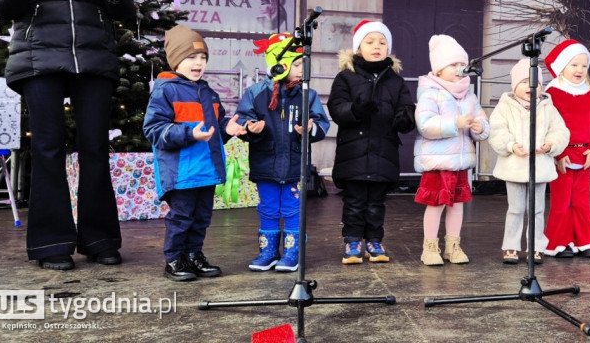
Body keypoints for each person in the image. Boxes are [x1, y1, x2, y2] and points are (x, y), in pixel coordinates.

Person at [0, 0, 143, 270]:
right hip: (40, 57)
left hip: (93, 56)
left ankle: (101, 239)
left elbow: (122, 8)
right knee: (48, 148)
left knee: (94, 148)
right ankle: (50, 245)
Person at [143, 25, 247, 281]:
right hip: (182, 172)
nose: (198, 63)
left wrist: (229, 127)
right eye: (191, 57)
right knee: (181, 217)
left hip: (207, 169)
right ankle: (174, 259)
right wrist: (190, 134)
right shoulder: (166, 90)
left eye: (203, 58)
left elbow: (216, 127)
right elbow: (154, 130)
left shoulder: (208, 91)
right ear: (176, 60)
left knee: (201, 218)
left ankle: (193, 255)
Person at [236, 33, 330, 272]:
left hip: (294, 166)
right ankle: (267, 252)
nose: (301, 70)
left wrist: (310, 129)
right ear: (280, 64)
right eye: (296, 64)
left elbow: (322, 123)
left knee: (292, 208)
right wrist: (250, 129)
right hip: (265, 164)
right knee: (267, 208)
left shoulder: (308, 94)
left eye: (303, 64)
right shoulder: (255, 93)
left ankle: (292, 252)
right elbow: (243, 119)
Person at [328, 20, 416, 264]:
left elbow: (407, 108)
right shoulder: (346, 77)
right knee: (354, 201)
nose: (376, 46)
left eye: (382, 42)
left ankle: (375, 241)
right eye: (370, 42)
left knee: (377, 202)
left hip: (383, 151)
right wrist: (356, 109)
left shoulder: (396, 81)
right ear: (358, 48)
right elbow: (336, 107)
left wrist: (404, 118)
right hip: (353, 152)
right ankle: (353, 241)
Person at [413, 35, 490, 266]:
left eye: (461, 65)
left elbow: (482, 122)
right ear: (438, 70)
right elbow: (424, 125)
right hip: (437, 162)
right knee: (435, 204)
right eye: (453, 65)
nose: (459, 69)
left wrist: (479, 128)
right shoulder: (430, 93)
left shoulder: (469, 95)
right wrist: (454, 123)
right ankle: (430, 247)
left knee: (457, 204)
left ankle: (453, 246)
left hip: (460, 162)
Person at [490, 61, 569, 265]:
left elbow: (560, 131)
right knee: (515, 208)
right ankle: (511, 246)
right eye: (524, 82)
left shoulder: (548, 107)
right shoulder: (504, 107)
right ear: (514, 85)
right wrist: (510, 145)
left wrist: (551, 145)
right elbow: (497, 130)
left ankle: (536, 246)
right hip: (514, 166)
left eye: (535, 83)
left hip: (540, 167)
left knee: (537, 210)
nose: (530, 87)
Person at [542, 40, 590, 257]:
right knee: (561, 201)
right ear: (562, 66)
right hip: (562, 155)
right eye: (574, 65)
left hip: (584, 154)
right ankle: (559, 242)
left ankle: (585, 240)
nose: (579, 70)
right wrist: (558, 154)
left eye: (583, 65)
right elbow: (549, 126)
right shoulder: (552, 93)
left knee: (581, 200)